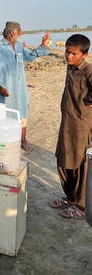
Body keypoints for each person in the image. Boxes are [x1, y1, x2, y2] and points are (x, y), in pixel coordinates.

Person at [0, 21, 51, 151]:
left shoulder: (18, 47)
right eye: (20, 30)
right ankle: (9, 143)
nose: (21, 33)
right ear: (13, 32)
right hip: (6, 90)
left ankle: (23, 140)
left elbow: (31, 56)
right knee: (6, 116)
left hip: (21, 88)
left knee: (23, 114)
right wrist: (0, 88)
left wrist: (43, 45)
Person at [50, 34, 92, 220]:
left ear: (85, 54)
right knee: (62, 161)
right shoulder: (71, 68)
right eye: (67, 52)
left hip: (82, 127)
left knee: (80, 166)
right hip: (67, 123)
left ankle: (81, 206)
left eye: (74, 54)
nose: (69, 56)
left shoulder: (88, 71)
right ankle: (70, 198)